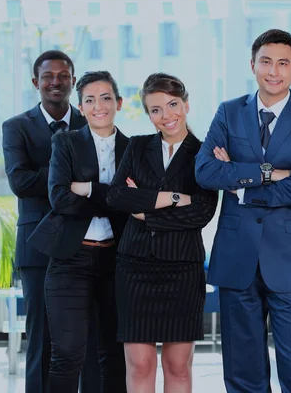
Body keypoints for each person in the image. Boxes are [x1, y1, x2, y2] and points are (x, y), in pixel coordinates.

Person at [195, 28, 291, 393]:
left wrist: (239, 185)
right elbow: (205, 171)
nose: (274, 71)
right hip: (237, 256)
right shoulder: (229, 112)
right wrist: (267, 173)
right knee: (242, 367)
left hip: (289, 260)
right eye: (266, 62)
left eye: (283, 63)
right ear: (252, 65)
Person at [106, 73, 218, 392]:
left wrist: (144, 210)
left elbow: (202, 212)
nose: (166, 115)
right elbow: (116, 196)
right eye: (156, 109)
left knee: (177, 366)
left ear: (185, 105)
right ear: (148, 114)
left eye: (172, 105)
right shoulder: (138, 147)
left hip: (182, 269)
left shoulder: (204, 154)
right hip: (134, 267)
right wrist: (173, 199)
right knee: (140, 365)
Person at [1, 50, 99, 393]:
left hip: (90, 244)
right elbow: (19, 183)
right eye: (48, 76)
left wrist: (68, 182)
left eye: (63, 75)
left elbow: (105, 179)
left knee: (90, 340)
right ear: (35, 82)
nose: (55, 82)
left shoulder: (92, 122)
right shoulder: (16, 127)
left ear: (73, 80)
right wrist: (66, 177)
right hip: (39, 247)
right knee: (43, 338)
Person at [27, 71, 128, 392]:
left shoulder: (135, 148)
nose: (98, 106)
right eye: (89, 100)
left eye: (106, 98)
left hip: (118, 262)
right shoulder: (66, 142)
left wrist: (87, 189)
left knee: (114, 354)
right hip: (70, 259)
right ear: (80, 107)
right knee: (67, 354)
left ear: (119, 103)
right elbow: (59, 198)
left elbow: (136, 202)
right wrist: (111, 195)